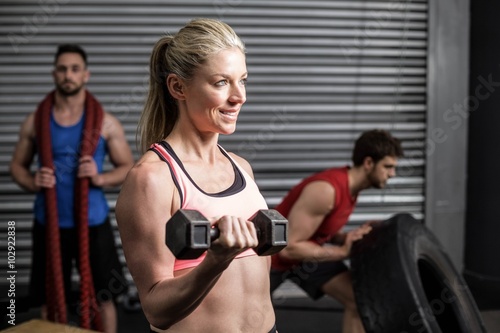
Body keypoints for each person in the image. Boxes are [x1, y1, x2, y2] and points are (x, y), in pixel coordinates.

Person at [115, 18, 278, 333]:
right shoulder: (152, 179)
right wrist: (216, 261)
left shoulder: (242, 168)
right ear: (178, 87)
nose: (239, 96)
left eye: (242, 80)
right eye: (221, 82)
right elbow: (156, 310)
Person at [10, 44, 134, 333]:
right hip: (49, 222)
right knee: (52, 297)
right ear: (54, 73)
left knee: (104, 296)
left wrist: (100, 177)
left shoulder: (105, 123)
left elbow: (128, 166)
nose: (69, 75)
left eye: (75, 69)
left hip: (93, 223)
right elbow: (17, 166)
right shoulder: (35, 122)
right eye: (63, 69)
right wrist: (32, 181)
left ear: (85, 75)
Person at [270, 129, 404, 333]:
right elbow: (287, 248)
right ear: (368, 163)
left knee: (358, 300)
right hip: (271, 259)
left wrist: (345, 238)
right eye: (388, 167)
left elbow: (319, 231)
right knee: (248, 319)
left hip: (303, 256)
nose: (392, 174)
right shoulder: (327, 190)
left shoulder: (352, 190)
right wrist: (341, 252)